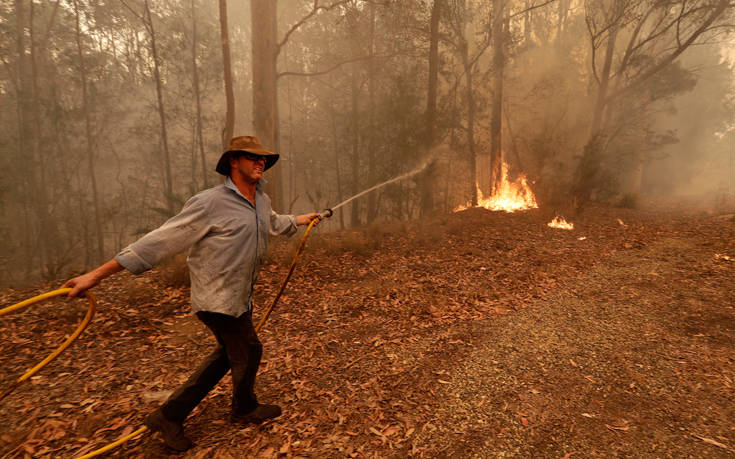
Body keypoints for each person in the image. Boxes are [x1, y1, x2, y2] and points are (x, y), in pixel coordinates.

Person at [64, 136, 321, 451]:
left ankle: (209, 410)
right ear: (233, 161)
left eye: (263, 159)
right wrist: (96, 275)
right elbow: (158, 241)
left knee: (231, 353)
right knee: (249, 349)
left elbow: (271, 222)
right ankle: (197, 412)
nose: (261, 163)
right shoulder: (209, 203)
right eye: (253, 157)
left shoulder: (260, 199)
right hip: (216, 298)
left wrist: (300, 219)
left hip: (239, 296)